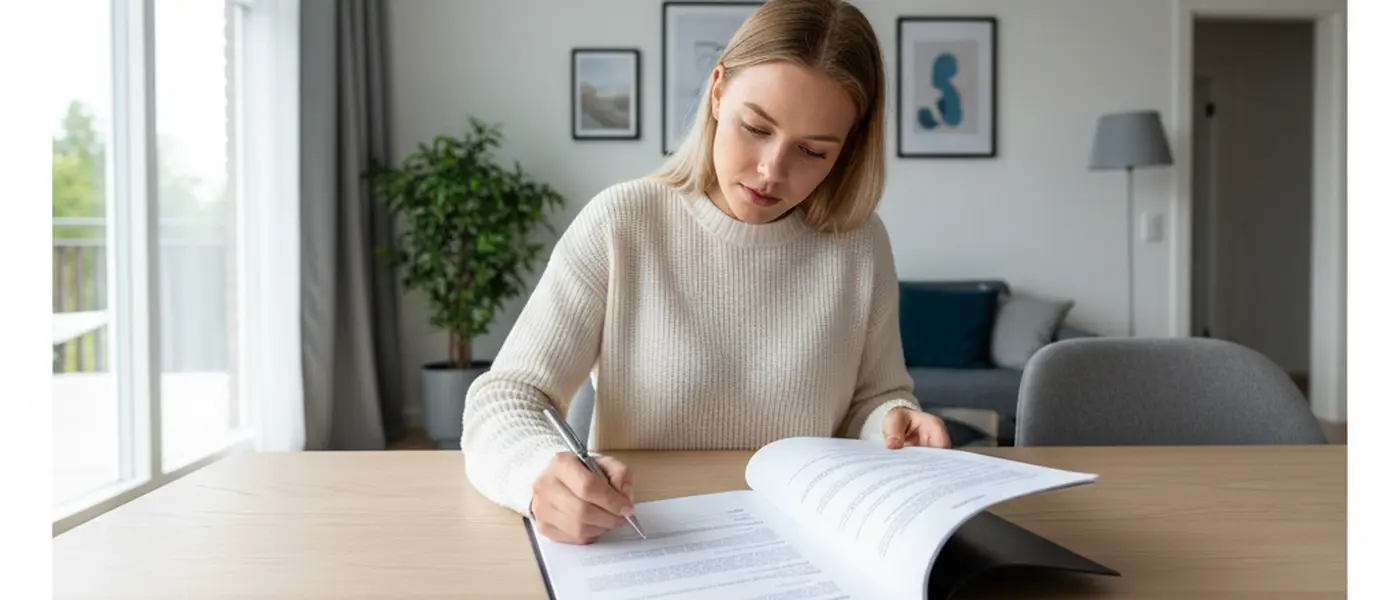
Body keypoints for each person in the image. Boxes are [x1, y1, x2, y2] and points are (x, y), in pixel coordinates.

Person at [460, 0, 951, 545]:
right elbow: (506, 398)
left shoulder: (859, 243)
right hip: (647, 541)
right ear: (718, 90)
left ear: (848, 149)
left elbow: (873, 397)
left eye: (812, 151)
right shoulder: (623, 223)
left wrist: (894, 420)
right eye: (756, 127)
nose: (772, 171)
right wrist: (536, 477)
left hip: (804, 545)